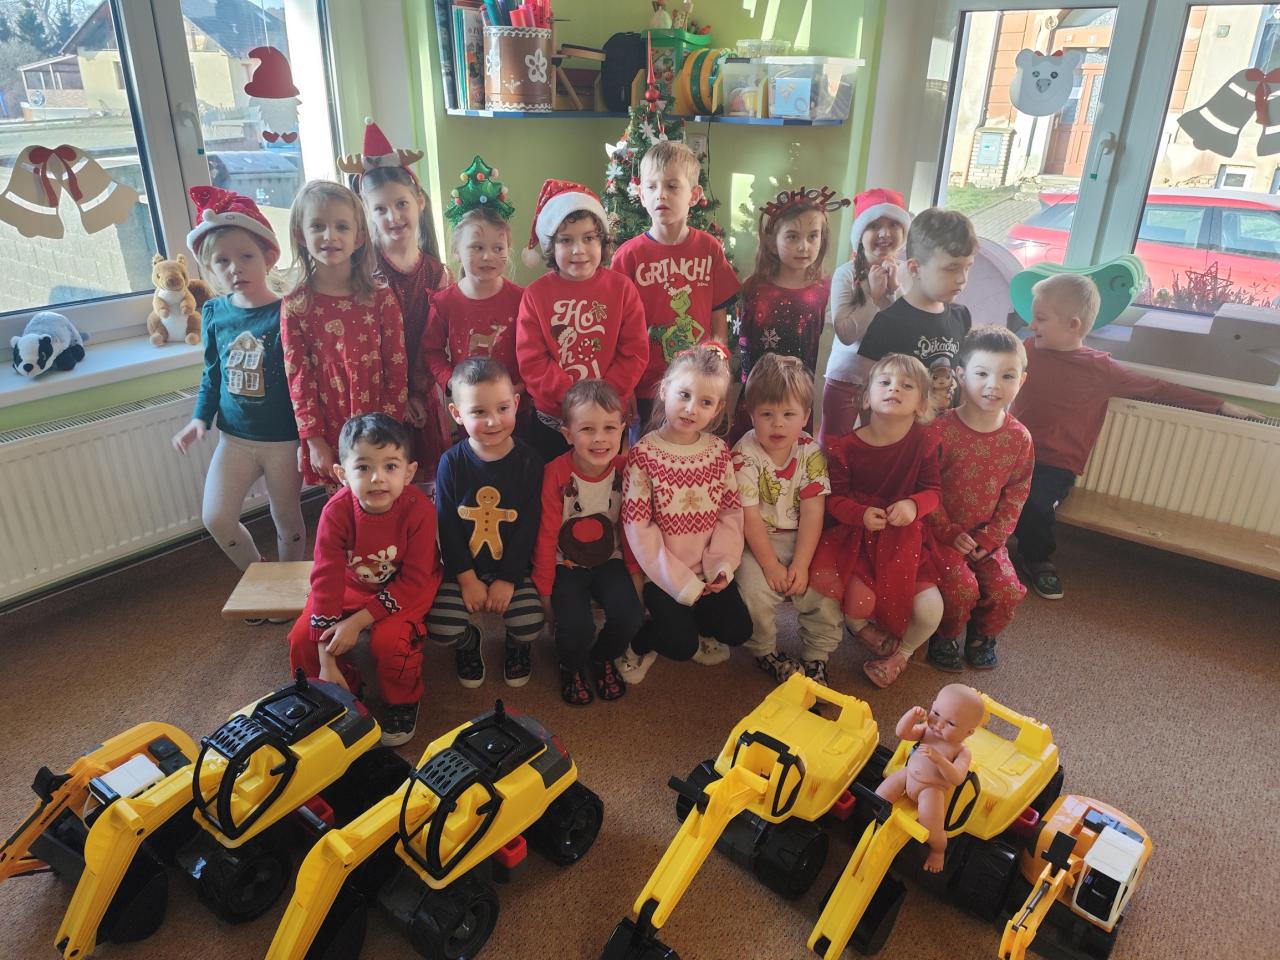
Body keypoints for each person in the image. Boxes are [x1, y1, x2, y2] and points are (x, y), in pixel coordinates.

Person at [1010, 273, 1263, 600]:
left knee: (1035, 504)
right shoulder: (1027, 350)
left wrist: (1219, 404)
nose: (1031, 325)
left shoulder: (1101, 369)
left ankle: (1036, 558)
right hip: (1012, 452)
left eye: (1041, 318)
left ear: (1073, 325)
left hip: (1054, 466)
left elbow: (1158, 389)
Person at [172, 187, 305, 599]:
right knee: (217, 517)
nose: (235, 268)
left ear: (268, 257)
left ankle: (292, 591)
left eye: (246, 256)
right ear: (210, 269)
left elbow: (304, 380)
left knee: (287, 522)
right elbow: (212, 373)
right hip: (235, 440)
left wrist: (312, 436)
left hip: (283, 442)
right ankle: (262, 579)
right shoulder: (214, 312)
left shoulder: (288, 313)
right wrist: (199, 419)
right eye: (222, 261)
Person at [285, 414, 443, 747]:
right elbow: (325, 581)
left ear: (409, 472)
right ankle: (338, 689)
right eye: (363, 467)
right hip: (350, 587)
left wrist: (357, 622)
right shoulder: (335, 512)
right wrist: (326, 658)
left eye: (390, 466)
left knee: (390, 641)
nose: (377, 478)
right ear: (342, 474)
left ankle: (402, 701)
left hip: (406, 589)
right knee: (302, 639)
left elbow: (414, 580)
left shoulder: (420, 510)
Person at [618, 344, 752, 683]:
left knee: (738, 631)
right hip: (663, 576)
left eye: (705, 402)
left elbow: (730, 514)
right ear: (664, 390)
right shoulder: (644, 455)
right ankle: (640, 641)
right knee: (680, 646)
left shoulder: (718, 452)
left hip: (708, 570)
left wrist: (721, 567)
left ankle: (698, 623)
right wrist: (683, 584)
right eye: (684, 395)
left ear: (718, 408)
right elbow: (639, 529)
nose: (692, 409)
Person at [811, 354, 944, 689]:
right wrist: (859, 514)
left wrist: (914, 505)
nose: (894, 388)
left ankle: (902, 656)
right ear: (867, 398)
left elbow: (933, 491)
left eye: (906, 385)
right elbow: (834, 499)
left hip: (905, 543)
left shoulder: (924, 443)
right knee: (857, 602)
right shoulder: (845, 447)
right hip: (856, 540)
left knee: (931, 610)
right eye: (884, 382)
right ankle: (858, 627)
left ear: (921, 404)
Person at [280, 180, 408, 487]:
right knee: (342, 506)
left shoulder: (380, 297)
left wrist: (388, 427)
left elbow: (397, 366)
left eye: (341, 226)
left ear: (359, 236)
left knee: (383, 496)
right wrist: (313, 440)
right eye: (318, 226)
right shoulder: (296, 305)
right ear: (300, 234)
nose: (330, 236)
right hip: (329, 429)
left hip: (379, 422)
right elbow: (298, 378)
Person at [427, 357, 544, 688]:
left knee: (530, 624)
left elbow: (528, 527)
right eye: (478, 412)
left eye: (502, 408)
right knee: (441, 627)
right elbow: (447, 527)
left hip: (513, 568)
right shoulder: (450, 463)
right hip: (464, 568)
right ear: (457, 414)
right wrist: (466, 579)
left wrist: (508, 579)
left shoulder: (529, 461)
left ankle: (516, 645)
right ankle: (469, 642)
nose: (493, 421)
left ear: (516, 404)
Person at [515, 178, 648, 461]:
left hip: (605, 418)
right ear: (551, 246)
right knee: (553, 482)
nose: (579, 249)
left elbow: (634, 351)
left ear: (602, 241)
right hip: (553, 420)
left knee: (606, 482)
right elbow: (532, 361)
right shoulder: (535, 295)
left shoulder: (622, 289)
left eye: (589, 238)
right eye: (566, 240)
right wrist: (574, 399)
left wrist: (602, 399)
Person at [611, 140, 740, 429]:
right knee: (649, 449)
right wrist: (625, 387)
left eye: (672, 186)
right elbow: (617, 329)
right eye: (652, 187)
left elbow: (719, 317)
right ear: (641, 195)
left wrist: (720, 367)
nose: (661, 195)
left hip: (698, 386)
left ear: (694, 195)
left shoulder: (709, 248)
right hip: (646, 386)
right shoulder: (628, 257)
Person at [350, 121, 452, 484]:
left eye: (401, 204)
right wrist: (398, 397)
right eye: (380, 209)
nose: (393, 217)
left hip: (425, 394)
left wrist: (419, 393)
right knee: (384, 479)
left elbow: (434, 341)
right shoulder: (364, 274)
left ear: (419, 202)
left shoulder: (437, 273)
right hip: (379, 396)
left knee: (425, 479)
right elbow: (366, 347)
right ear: (367, 211)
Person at [926, 326, 1033, 672]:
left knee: (1007, 590)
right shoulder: (939, 430)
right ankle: (945, 636)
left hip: (988, 540)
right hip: (941, 537)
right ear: (961, 376)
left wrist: (991, 538)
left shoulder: (1019, 438)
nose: (994, 385)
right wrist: (947, 531)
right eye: (982, 374)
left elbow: (1016, 494)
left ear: (1021, 381)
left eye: (1007, 376)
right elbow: (925, 488)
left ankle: (981, 636)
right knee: (961, 589)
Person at [731, 354, 841, 685]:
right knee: (752, 591)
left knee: (826, 587)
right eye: (767, 414)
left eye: (789, 414)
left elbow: (813, 512)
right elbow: (750, 517)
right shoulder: (743, 454)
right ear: (751, 414)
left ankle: (816, 656)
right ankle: (765, 651)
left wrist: (802, 564)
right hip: (758, 539)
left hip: (803, 537)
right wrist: (769, 565)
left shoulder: (811, 452)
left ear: (806, 415)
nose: (777, 424)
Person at [532, 380, 644, 705]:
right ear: (568, 434)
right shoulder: (554, 474)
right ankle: (571, 665)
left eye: (609, 428)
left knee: (630, 617)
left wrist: (636, 580)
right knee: (575, 628)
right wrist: (545, 597)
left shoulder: (627, 470)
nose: (599, 438)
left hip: (610, 560)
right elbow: (545, 538)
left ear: (622, 429)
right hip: (565, 564)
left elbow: (633, 528)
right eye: (587, 429)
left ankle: (601, 657)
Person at [731, 185, 848, 441]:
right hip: (758, 395)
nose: (803, 247)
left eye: (813, 236)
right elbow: (744, 340)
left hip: (797, 397)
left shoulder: (826, 290)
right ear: (773, 243)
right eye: (792, 237)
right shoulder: (754, 288)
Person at [854, 207, 977, 419]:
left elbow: (962, 382)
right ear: (914, 269)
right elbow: (867, 396)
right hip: (900, 434)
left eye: (968, 267)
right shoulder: (887, 323)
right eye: (951, 268)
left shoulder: (961, 316)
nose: (962, 278)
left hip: (945, 433)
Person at [421, 204, 527, 436]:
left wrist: (522, 385)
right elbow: (431, 350)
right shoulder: (444, 302)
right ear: (456, 250)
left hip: (515, 409)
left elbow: (534, 349)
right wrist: (451, 381)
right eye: (477, 247)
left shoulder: (522, 299)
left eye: (498, 248)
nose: (488, 256)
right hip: (471, 414)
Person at [822, 188, 912, 447]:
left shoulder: (907, 273)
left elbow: (909, 333)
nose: (884, 233)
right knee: (833, 445)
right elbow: (846, 334)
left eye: (893, 224)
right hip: (846, 376)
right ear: (860, 235)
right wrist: (873, 296)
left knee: (879, 445)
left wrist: (894, 290)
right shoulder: (846, 274)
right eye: (874, 225)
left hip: (889, 382)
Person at [876, 684, 985, 872]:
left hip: (931, 790)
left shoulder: (961, 751)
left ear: (968, 732)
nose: (939, 724)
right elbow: (902, 733)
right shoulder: (927, 731)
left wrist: (939, 760)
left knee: (930, 827)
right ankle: (878, 822)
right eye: (936, 713)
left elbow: (957, 778)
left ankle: (938, 850)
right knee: (879, 797)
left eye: (951, 724)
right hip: (907, 775)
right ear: (932, 705)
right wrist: (911, 716)